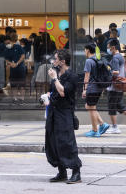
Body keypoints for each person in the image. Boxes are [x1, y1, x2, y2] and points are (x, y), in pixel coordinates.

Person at [43, 49, 82, 184]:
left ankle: (76, 172)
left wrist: (54, 78)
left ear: (63, 61)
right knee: (53, 141)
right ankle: (62, 171)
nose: (54, 61)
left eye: (56, 59)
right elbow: (52, 91)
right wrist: (46, 97)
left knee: (67, 142)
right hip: (53, 111)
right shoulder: (57, 73)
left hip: (65, 113)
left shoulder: (72, 76)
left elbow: (63, 92)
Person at [105, 40, 126, 133]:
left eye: (108, 47)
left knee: (111, 106)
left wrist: (107, 71)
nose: (108, 49)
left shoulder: (115, 58)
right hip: (120, 85)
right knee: (119, 105)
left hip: (115, 86)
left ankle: (115, 127)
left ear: (113, 47)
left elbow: (115, 72)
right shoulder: (120, 57)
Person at [81, 42, 108, 137]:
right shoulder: (98, 59)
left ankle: (95, 130)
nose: (84, 51)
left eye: (85, 49)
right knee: (89, 106)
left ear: (88, 50)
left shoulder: (89, 61)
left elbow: (86, 77)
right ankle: (102, 124)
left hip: (92, 88)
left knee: (91, 108)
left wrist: (84, 89)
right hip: (99, 88)